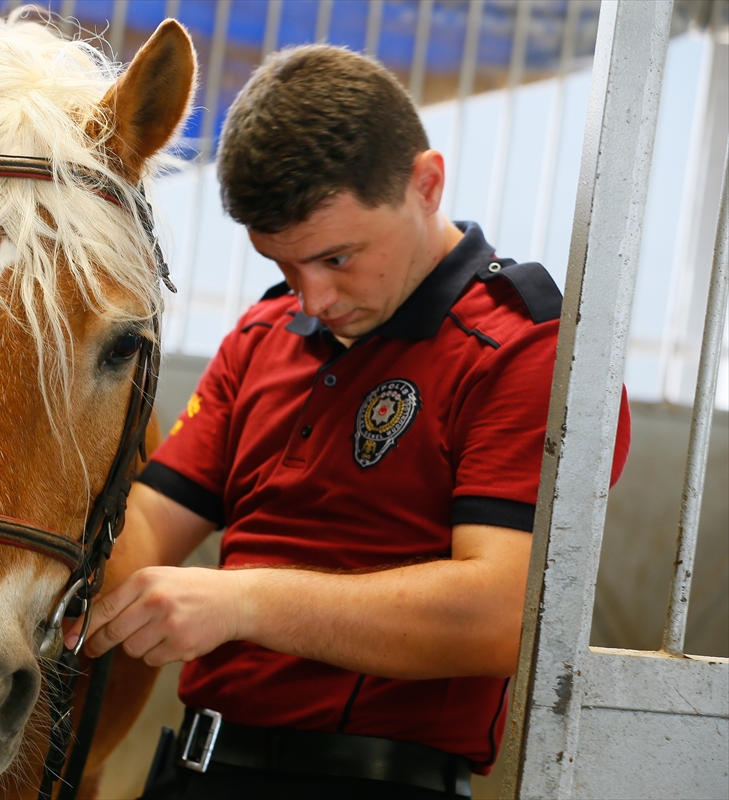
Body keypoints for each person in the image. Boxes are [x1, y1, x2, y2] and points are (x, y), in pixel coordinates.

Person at [68, 44, 633, 800]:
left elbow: (504, 615)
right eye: (284, 266)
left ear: (426, 184)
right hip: (195, 772)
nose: (313, 299)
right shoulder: (261, 337)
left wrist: (241, 601)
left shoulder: (528, 351)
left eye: (338, 258)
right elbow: (140, 537)